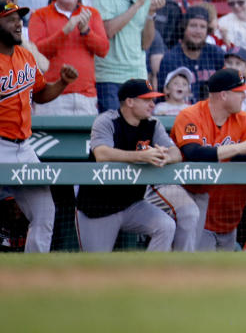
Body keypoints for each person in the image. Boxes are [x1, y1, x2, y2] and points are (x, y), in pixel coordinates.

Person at [0, 0, 78, 253]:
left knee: (45, 212)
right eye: (10, 19)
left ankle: (32, 277)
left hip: (23, 146)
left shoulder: (25, 56)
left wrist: (62, 83)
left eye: (19, 19)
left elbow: (41, 94)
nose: (18, 24)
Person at [168, 69, 246, 251]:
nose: (244, 96)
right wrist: (239, 147)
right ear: (223, 95)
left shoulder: (245, 120)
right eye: (240, 92)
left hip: (226, 215)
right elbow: (193, 153)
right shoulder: (190, 115)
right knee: (195, 267)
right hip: (188, 197)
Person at [75, 79, 181, 252]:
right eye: (147, 100)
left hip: (133, 205)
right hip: (98, 207)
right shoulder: (107, 121)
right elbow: (102, 154)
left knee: (165, 226)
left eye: (153, 100)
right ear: (130, 102)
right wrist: (141, 156)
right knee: (97, 268)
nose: (152, 104)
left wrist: (164, 157)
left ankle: (149, 277)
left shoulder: (152, 124)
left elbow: (176, 152)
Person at [93, 0, 169, 112]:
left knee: (138, 132)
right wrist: (138, 4)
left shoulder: (146, 0)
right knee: (114, 130)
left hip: (137, 75)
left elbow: (146, 44)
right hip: (109, 76)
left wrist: (151, 13)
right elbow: (108, 31)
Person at [28, 0, 108, 116]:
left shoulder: (92, 13)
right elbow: (37, 52)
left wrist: (85, 31)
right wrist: (65, 31)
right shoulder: (39, 15)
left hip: (86, 96)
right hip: (51, 96)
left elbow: (103, 49)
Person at [157, 7, 225, 97]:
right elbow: (163, 97)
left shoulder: (216, 54)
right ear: (184, 27)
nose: (198, 31)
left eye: (202, 27)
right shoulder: (170, 59)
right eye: (193, 26)